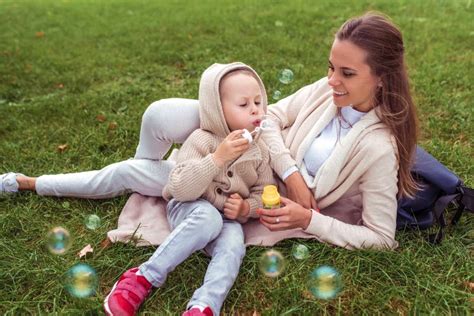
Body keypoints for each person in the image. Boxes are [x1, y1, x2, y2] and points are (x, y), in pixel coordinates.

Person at [1, 12, 417, 248]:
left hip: (245, 185)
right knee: (162, 115)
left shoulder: (378, 147)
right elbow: (269, 116)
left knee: (129, 172)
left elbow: (382, 238)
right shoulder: (327, 92)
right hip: (240, 150)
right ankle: (158, 168)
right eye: (330, 67)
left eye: (346, 72)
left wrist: (308, 217)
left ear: (381, 77)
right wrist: (290, 170)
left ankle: (30, 182)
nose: (331, 80)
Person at [102, 62, 275, 316]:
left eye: (258, 102)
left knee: (233, 246)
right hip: (190, 206)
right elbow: (180, 187)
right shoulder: (201, 139)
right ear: (217, 109)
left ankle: (204, 305)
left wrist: (246, 208)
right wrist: (218, 158)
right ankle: (143, 276)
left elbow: (264, 192)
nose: (254, 110)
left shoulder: (259, 152)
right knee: (207, 218)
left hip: (226, 219)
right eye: (244, 104)